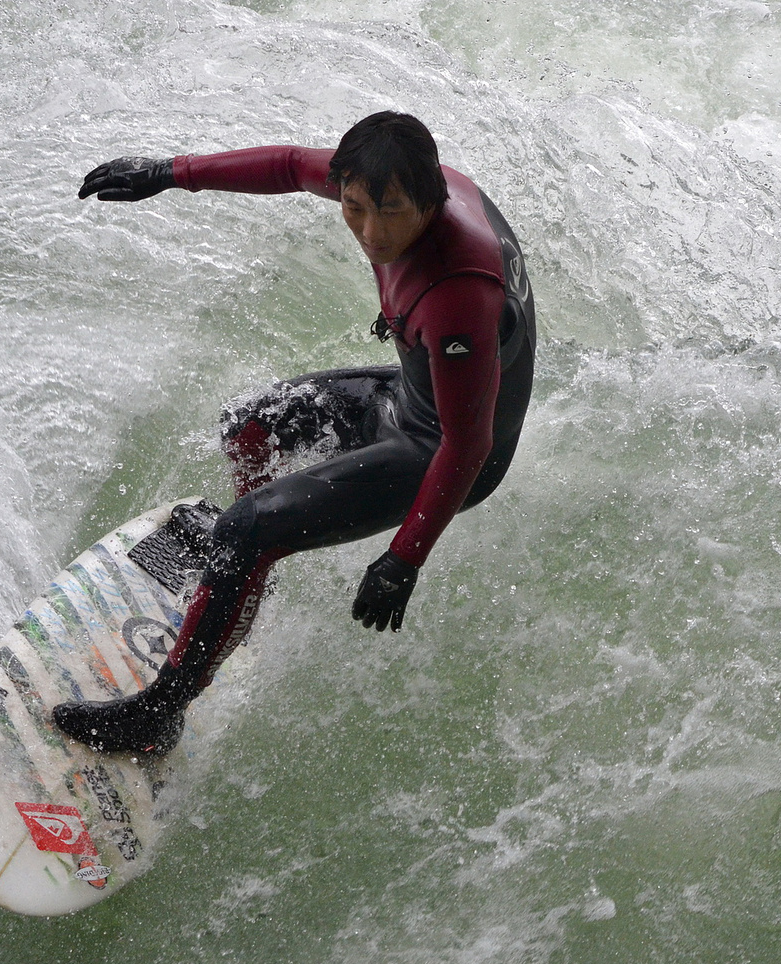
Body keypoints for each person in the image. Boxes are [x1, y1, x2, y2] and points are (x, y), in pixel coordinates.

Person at [54, 111, 536, 755]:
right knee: (249, 425)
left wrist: (404, 559)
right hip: (412, 397)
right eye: (356, 208)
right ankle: (247, 576)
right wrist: (168, 173)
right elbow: (287, 165)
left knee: (244, 529)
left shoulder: (458, 299)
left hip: (443, 449)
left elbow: (468, 444)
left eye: (390, 213)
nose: (371, 232)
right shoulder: (396, 177)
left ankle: (157, 716)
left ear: (432, 199)